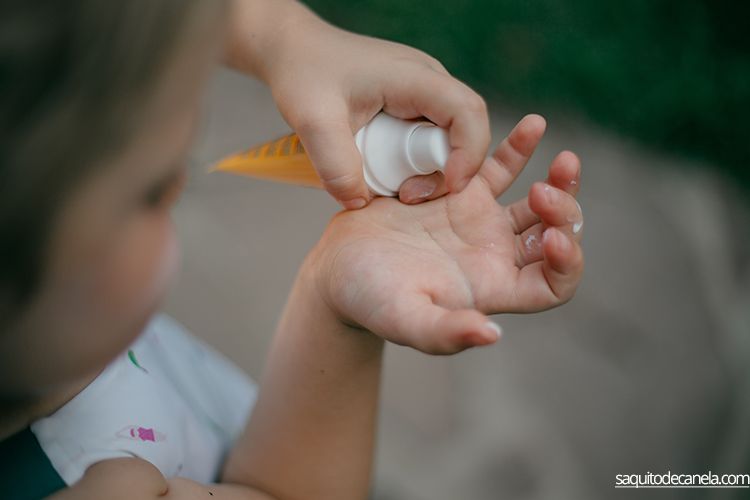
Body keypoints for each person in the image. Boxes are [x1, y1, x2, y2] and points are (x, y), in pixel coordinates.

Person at [0, 0, 584, 498]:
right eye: (152, 192)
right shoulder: (104, 489)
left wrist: (289, 39)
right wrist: (337, 303)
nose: (182, 185)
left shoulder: (49, 332)